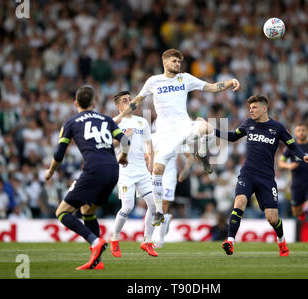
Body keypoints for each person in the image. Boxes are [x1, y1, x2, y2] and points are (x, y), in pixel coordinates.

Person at [115, 48, 240, 226]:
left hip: (183, 126)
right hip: (165, 133)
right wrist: (120, 117)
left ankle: (202, 153)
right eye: (174, 61)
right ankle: (158, 211)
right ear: (165, 62)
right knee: (157, 171)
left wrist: (230, 82)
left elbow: (211, 87)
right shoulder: (153, 81)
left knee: (206, 126)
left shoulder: (185, 78)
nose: (177, 64)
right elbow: (137, 101)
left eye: (179, 62)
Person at [215, 95, 308, 257]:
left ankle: (282, 242)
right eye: (249, 108)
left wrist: (303, 156)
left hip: (266, 178)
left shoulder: (277, 127)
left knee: (272, 218)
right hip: (247, 174)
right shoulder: (248, 124)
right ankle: (230, 241)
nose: (250, 111)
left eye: (254, 107)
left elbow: (292, 145)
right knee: (239, 201)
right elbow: (233, 136)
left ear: (264, 108)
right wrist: (212, 130)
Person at [44, 85, 130, 270]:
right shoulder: (106, 119)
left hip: (94, 169)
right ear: (94, 102)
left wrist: (50, 172)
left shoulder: (71, 122)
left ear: (75, 103)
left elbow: (59, 154)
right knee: (88, 211)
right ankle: (97, 262)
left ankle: (94, 241)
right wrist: (123, 156)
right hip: (113, 170)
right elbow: (125, 140)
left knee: (62, 212)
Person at [110, 91, 158, 257]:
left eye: (131, 99)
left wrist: (151, 162)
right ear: (118, 106)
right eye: (125, 100)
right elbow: (110, 145)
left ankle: (147, 241)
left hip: (142, 170)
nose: (130, 102)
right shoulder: (115, 122)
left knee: (154, 206)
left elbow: (148, 143)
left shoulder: (142, 121)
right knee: (128, 207)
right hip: (126, 170)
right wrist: (123, 136)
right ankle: (114, 238)